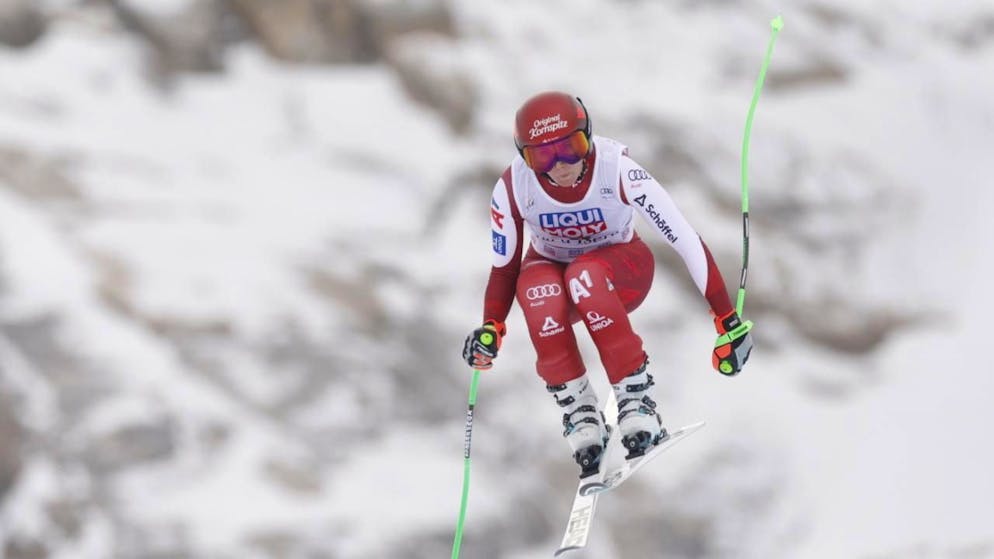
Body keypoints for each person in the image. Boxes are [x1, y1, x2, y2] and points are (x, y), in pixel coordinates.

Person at [462, 91, 753, 478]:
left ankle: (637, 400)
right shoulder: (514, 187)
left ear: (589, 136)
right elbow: (504, 269)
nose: (561, 165)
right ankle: (579, 413)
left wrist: (727, 318)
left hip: (621, 270)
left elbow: (682, 237)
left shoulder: (617, 169)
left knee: (585, 276)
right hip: (553, 273)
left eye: (571, 147)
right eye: (542, 157)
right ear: (524, 157)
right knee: (536, 289)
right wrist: (491, 327)